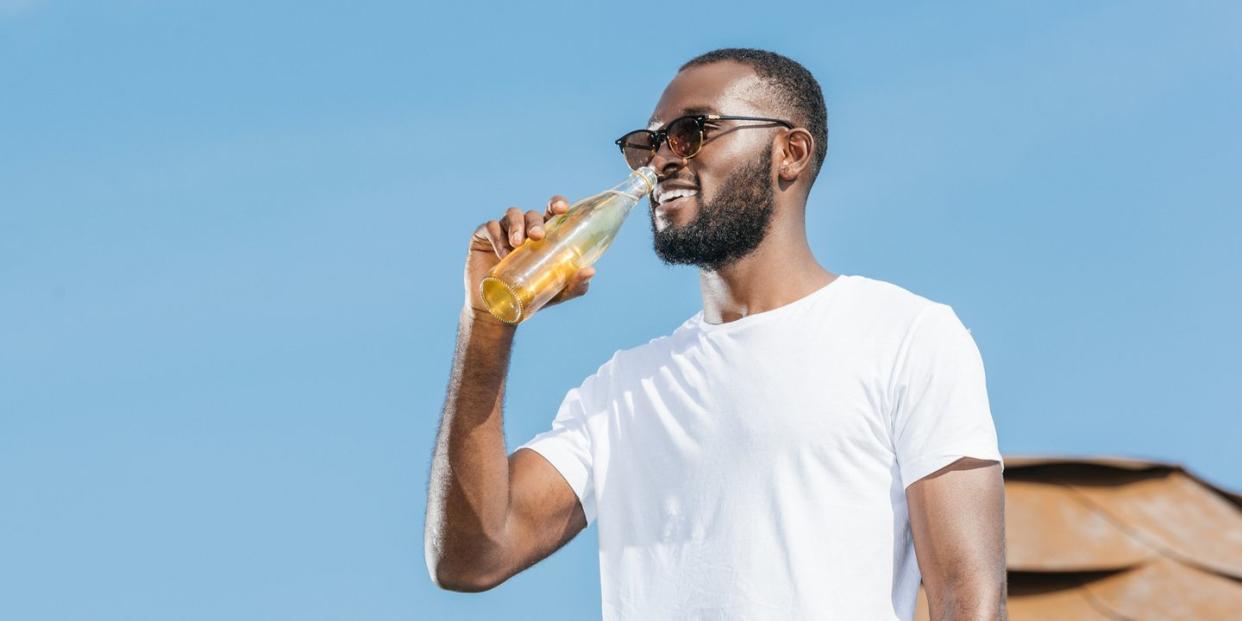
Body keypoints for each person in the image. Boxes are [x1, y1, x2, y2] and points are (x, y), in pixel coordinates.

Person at [425, 48, 1007, 620]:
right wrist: (486, 324)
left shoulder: (905, 337)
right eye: (647, 144)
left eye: (691, 132)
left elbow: (967, 600)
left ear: (790, 152)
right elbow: (471, 558)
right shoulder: (619, 391)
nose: (660, 162)